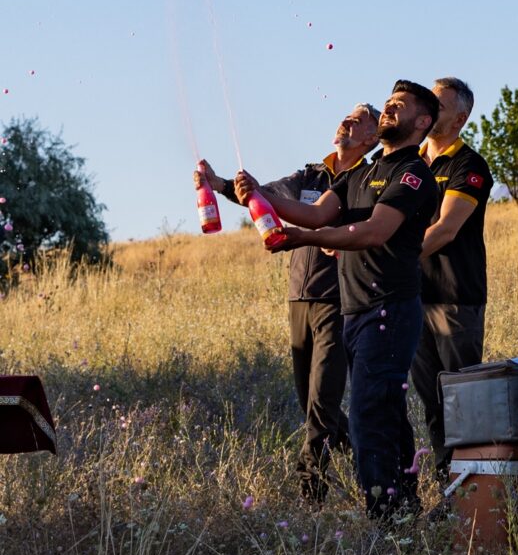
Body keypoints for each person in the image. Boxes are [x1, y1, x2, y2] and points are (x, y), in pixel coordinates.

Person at [238, 80, 439, 518]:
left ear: (422, 122)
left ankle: (385, 517)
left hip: (389, 308)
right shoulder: (356, 175)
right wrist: (258, 195)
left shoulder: (413, 174)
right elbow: (314, 212)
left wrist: (302, 239)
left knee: (369, 415)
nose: (388, 110)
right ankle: (405, 505)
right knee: (386, 409)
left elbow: (374, 231)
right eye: (387, 104)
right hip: (355, 310)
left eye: (398, 107)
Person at [195, 103, 380, 501]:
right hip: (299, 298)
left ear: (372, 138)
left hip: (339, 300)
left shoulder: (367, 179)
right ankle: (366, 455)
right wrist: (223, 184)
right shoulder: (310, 173)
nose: (346, 121)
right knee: (308, 401)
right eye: (345, 116)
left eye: (358, 120)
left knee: (322, 401)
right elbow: (266, 197)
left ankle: (310, 491)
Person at [411, 77, 494, 477]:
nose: (427, 111)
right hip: (412, 297)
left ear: (460, 118)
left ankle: (472, 489)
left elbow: (446, 229)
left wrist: (394, 259)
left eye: (437, 106)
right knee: (430, 401)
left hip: (454, 298)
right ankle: (448, 483)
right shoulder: (407, 163)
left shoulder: (469, 165)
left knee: (460, 400)